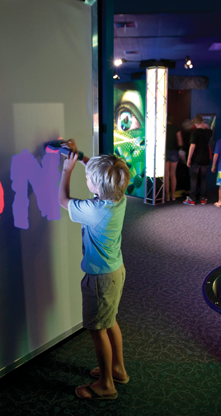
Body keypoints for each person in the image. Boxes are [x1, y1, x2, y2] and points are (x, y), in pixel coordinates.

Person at [59, 140, 131, 400]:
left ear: (98, 186)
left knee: (97, 329)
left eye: (89, 178)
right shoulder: (118, 197)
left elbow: (62, 200)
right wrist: (81, 158)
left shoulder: (93, 210)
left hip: (100, 279)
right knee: (110, 322)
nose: (86, 178)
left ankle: (106, 385)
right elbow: (102, 171)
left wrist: (66, 170)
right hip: (115, 271)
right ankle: (118, 370)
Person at [184, 115, 213, 205]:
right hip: (205, 159)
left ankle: (192, 199)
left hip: (196, 159)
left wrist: (189, 158)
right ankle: (203, 198)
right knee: (203, 178)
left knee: (194, 179)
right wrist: (205, 125)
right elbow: (208, 128)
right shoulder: (209, 132)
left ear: (197, 123)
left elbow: (192, 146)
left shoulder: (195, 133)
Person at [164, 115, 183, 201]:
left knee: (166, 175)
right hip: (174, 152)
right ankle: (173, 195)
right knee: (173, 174)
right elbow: (180, 143)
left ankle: (167, 195)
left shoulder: (163, 127)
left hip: (164, 152)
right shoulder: (176, 128)